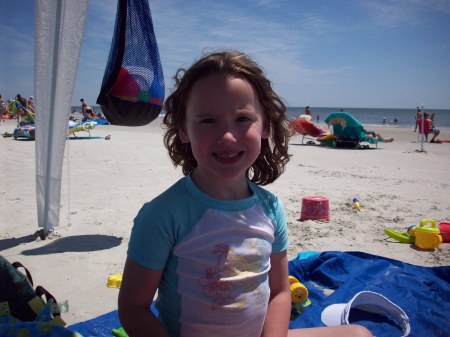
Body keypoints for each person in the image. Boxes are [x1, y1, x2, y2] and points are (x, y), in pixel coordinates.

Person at [118, 51, 372, 337]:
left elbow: (279, 292)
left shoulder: (270, 207)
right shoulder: (163, 215)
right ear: (184, 129)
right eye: (208, 121)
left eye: (242, 119)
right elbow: (133, 308)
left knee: (358, 334)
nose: (227, 136)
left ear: (264, 125)